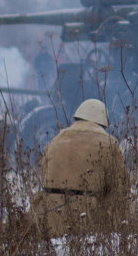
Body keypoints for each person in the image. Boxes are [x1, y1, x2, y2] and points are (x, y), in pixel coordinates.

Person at [31, 98, 131, 237]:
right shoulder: (109, 144)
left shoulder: (56, 141)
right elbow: (120, 186)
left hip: (48, 219)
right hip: (87, 221)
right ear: (103, 121)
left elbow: (44, 174)